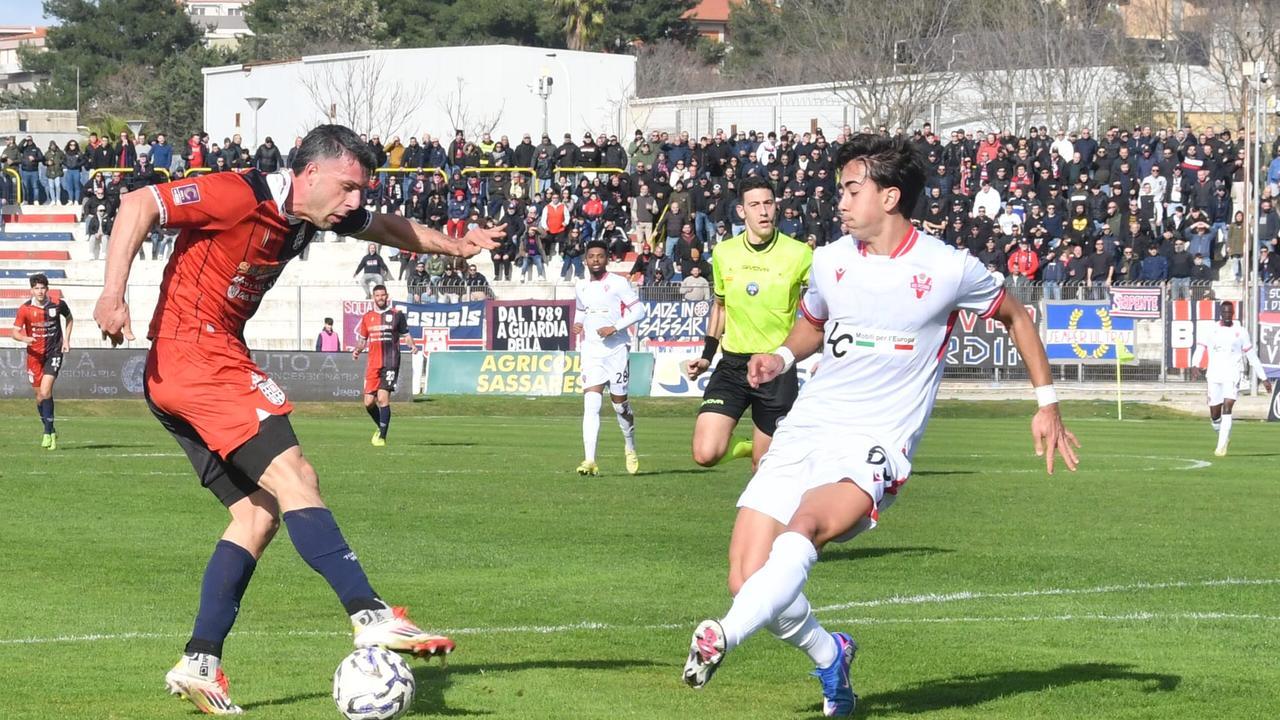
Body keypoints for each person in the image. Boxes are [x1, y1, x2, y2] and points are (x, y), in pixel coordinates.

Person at [91, 124, 503, 714]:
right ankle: (369, 613)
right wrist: (112, 294)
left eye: (361, 191)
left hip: (182, 369)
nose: (355, 202)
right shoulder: (239, 193)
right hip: (198, 356)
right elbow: (138, 203)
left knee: (256, 515)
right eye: (348, 187)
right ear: (309, 174)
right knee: (297, 477)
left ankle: (200, 660)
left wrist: (456, 247)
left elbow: (389, 229)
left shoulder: (315, 214)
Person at [680, 134, 1080, 716]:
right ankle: (831, 655)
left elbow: (1016, 315)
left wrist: (1046, 403)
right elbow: (812, 323)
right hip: (808, 426)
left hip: (875, 441)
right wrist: (782, 357)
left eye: (851, 190)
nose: (839, 201)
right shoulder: (830, 260)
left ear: (889, 197)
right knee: (747, 580)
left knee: (807, 525)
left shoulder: (947, 268)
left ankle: (723, 636)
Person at [684, 175, 812, 470]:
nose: (763, 211)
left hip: (775, 369)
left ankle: (758, 450)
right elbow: (720, 307)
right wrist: (707, 356)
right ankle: (747, 445)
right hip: (732, 366)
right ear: (741, 211)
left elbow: (824, 303)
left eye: (768, 203)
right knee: (705, 454)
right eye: (755, 205)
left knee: (764, 468)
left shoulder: (800, 254)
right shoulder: (724, 253)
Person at [572, 240, 648, 476]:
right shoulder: (580, 285)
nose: (595, 260)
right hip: (591, 351)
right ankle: (590, 460)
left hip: (616, 350)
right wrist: (578, 323)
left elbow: (639, 311)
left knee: (619, 406)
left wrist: (614, 327)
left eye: (600, 256)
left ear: (607, 259)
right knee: (591, 404)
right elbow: (581, 310)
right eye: (591, 256)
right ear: (585, 260)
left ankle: (630, 445)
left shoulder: (618, 283)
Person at [1192, 301, 1271, 456]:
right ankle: (1223, 435)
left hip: (1232, 374)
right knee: (1215, 415)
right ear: (1221, 313)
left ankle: (1220, 447)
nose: (1227, 315)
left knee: (1227, 407)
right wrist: (1195, 364)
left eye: (1230, 312)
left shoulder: (1240, 332)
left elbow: (1251, 356)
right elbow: (1200, 348)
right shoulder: (1211, 330)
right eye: (1225, 312)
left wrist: (1263, 377)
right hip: (1214, 375)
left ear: (1233, 313)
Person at [11, 273, 72, 449]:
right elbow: (14, 332)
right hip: (34, 356)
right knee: (39, 397)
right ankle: (51, 429)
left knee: (46, 391)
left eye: (43, 288)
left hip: (54, 353)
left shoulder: (57, 304)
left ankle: (46, 434)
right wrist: (24, 339)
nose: (40, 291)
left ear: (47, 289)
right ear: (31, 290)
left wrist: (66, 340)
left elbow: (69, 318)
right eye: (36, 288)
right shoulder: (25, 309)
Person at [353, 285, 417, 446]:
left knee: (382, 398)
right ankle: (381, 426)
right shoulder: (367, 317)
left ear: (387, 296)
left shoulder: (397, 315)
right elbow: (362, 340)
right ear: (373, 297)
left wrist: (412, 346)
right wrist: (357, 350)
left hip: (390, 362)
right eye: (377, 295)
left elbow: (406, 335)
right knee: (368, 402)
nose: (380, 298)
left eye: (382, 295)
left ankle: (382, 437)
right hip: (373, 363)